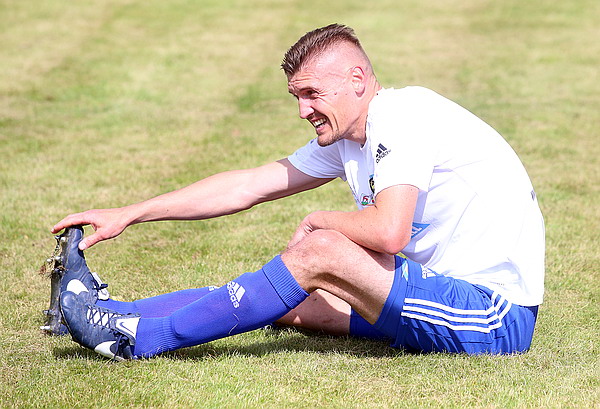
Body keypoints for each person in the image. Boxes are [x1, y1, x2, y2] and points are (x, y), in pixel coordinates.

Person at [50, 24, 544, 360]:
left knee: (321, 250)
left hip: (493, 316)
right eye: (297, 96)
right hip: (438, 294)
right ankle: (110, 315)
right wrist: (131, 213)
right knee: (280, 297)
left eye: (312, 94)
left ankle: (141, 340)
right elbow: (248, 185)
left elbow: (389, 232)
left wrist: (318, 221)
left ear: (357, 79)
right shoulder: (351, 136)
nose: (303, 110)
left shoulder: (403, 115)